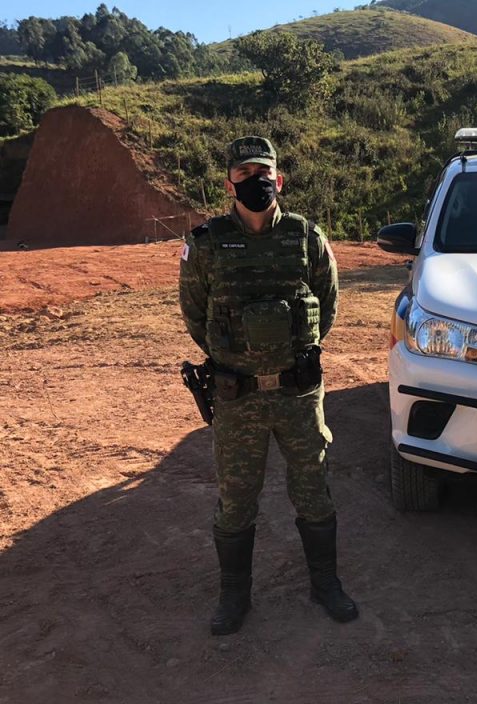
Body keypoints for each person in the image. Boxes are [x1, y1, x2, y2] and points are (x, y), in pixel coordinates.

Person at [178, 136, 356, 635]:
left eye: (264, 174)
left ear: (278, 179)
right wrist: (238, 357)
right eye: (244, 175)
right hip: (239, 397)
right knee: (236, 497)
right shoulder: (207, 243)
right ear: (230, 182)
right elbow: (194, 313)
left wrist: (293, 353)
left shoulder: (306, 236)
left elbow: (329, 302)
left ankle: (326, 584)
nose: (255, 183)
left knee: (313, 489)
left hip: (298, 395)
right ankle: (234, 596)